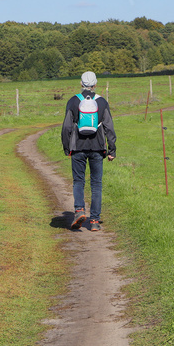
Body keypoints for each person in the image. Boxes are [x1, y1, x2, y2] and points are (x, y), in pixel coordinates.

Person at [60, 71, 116, 231]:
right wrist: (112, 149)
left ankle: (79, 211)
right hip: (98, 147)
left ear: (81, 84)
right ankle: (95, 222)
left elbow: (66, 128)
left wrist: (66, 147)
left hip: (77, 148)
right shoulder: (102, 102)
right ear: (95, 84)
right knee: (96, 184)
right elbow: (109, 127)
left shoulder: (73, 102)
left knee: (79, 181)